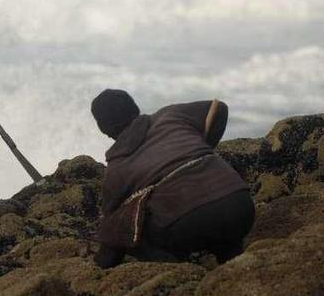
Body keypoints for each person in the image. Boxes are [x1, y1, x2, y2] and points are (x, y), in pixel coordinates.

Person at [90, 89, 254, 268]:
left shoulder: (117, 167)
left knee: (123, 227)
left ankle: (177, 270)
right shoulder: (170, 115)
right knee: (219, 225)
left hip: (192, 223)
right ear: (134, 107)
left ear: (103, 128)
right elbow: (218, 108)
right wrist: (202, 147)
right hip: (240, 203)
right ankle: (232, 259)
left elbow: (112, 221)